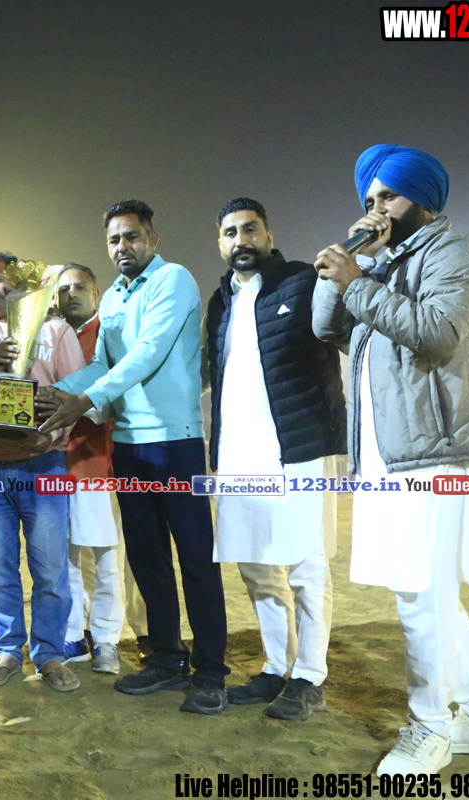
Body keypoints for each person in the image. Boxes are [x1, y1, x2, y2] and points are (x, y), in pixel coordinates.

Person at [313, 144, 469, 774]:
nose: (376, 208)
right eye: (368, 199)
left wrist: (358, 282)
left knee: (422, 593)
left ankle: (430, 726)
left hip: (443, 450)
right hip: (394, 455)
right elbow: (327, 328)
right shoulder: (381, 268)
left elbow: (437, 333)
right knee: (422, 590)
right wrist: (351, 265)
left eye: (389, 196)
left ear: (424, 199)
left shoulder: (461, 253)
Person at [41, 200, 230, 715]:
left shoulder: (174, 280)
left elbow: (148, 353)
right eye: (114, 240)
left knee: (195, 558)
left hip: (175, 442)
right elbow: (102, 364)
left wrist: (84, 400)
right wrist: (52, 394)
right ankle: (167, 658)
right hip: (127, 444)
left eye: (131, 236)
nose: (122, 247)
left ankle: (211, 670)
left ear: (152, 237)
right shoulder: (116, 297)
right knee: (147, 558)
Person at [204, 198, 346, 720]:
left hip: (298, 447)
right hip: (237, 452)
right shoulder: (220, 301)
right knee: (257, 568)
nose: (241, 240)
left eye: (250, 229)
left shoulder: (303, 282)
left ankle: (309, 677)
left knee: (308, 566)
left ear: (268, 235)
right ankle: (275, 666)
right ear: (220, 243)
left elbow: (341, 332)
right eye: (230, 232)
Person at [0, 254, 86, 692]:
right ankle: (8, 651)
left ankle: (49, 655)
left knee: (50, 570)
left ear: (19, 284)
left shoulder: (56, 330)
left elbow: (76, 394)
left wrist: (52, 434)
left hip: (44, 464)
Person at [55, 264, 144, 675]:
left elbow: (119, 395)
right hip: (53, 466)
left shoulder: (111, 335)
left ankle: (107, 639)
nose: (71, 294)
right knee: (65, 560)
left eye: (80, 287)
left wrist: (76, 404)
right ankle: (73, 635)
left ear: (96, 294)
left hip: (97, 462)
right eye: (63, 289)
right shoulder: (48, 336)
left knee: (107, 558)